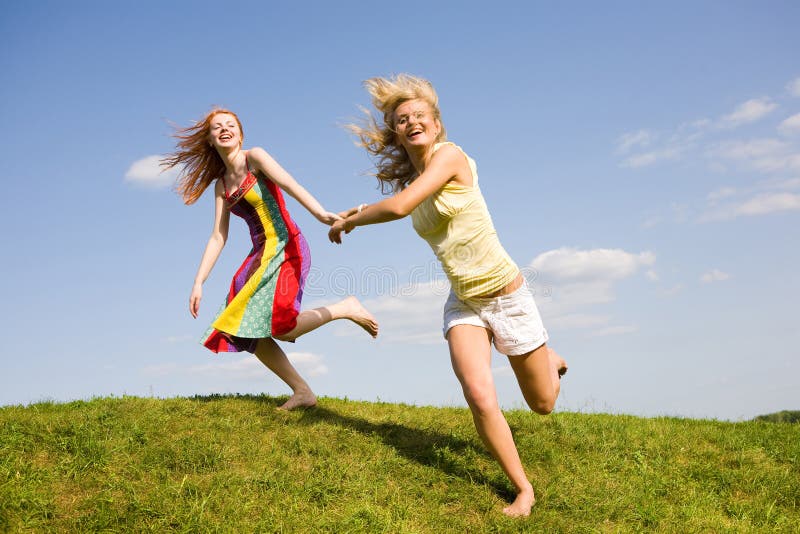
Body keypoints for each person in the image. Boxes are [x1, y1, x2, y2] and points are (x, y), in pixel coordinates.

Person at [329, 75, 568, 517]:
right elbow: (402, 200)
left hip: (507, 295)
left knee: (543, 404)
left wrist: (353, 223)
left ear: (436, 125)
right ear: (396, 132)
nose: (412, 122)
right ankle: (524, 489)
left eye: (420, 115)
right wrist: (355, 211)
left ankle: (549, 360)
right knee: (478, 395)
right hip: (465, 302)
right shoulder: (416, 180)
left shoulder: (450, 157)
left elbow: (400, 207)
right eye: (402, 119)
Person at [163, 108, 378, 411]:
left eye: (230, 125)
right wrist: (199, 282)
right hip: (259, 257)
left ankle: (345, 307)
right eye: (216, 128)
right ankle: (302, 392)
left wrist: (321, 214)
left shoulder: (256, 158)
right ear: (210, 140)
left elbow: (291, 185)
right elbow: (217, 237)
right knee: (244, 328)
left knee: (281, 327)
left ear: (240, 133)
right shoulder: (221, 185)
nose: (224, 129)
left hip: (288, 247)